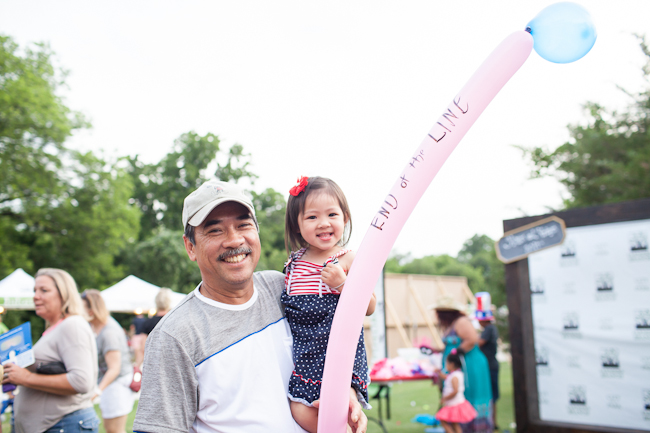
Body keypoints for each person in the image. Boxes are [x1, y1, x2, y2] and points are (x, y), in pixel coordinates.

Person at [133, 180, 368, 433]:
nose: (234, 240)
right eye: (215, 231)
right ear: (190, 247)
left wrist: (348, 395)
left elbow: (341, 340)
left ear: (257, 233)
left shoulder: (286, 289)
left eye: (243, 225)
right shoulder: (175, 336)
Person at [282, 176, 376, 432]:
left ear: (345, 218)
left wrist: (342, 285)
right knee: (300, 408)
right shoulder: (294, 263)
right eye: (312, 217)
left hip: (340, 352)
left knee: (343, 403)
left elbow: (370, 306)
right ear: (297, 225)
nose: (323, 223)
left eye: (332, 214)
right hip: (306, 355)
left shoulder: (347, 258)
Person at [3, 268, 99, 433]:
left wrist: (26, 377)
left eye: (44, 290)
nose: (35, 296)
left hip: (64, 424)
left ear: (64, 294)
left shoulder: (72, 325)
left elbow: (81, 381)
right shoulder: (55, 328)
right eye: (34, 291)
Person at [432, 297, 493, 433]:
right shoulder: (451, 325)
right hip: (457, 366)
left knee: (469, 394)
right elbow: (451, 344)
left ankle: (474, 428)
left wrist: (455, 353)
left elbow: (471, 340)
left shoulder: (461, 322)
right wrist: (437, 350)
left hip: (470, 366)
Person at [82, 289, 135, 433]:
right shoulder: (97, 326)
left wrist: (97, 391)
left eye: (82, 308)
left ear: (92, 310)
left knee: (114, 430)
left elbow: (114, 368)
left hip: (116, 385)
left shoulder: (109, 332)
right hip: (111, 385)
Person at [435, 349, 478, 433]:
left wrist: (445, 398)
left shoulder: (454, 377)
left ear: (452, 364)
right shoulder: (456, 374)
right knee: (455, 424)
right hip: (455, 402)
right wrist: (439, 373)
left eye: (447, 363)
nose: (446, 365)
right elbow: (447, 378)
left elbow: (455, 391)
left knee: (442, 419)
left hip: (453, 404)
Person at [477, 310, 499, 430]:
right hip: (491, 365)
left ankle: (492, 422)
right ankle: (493, 422)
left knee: (491, 395)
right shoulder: (491, 329)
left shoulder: (489, 329)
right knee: (492, 396)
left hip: (490, 366)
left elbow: (478, 343)